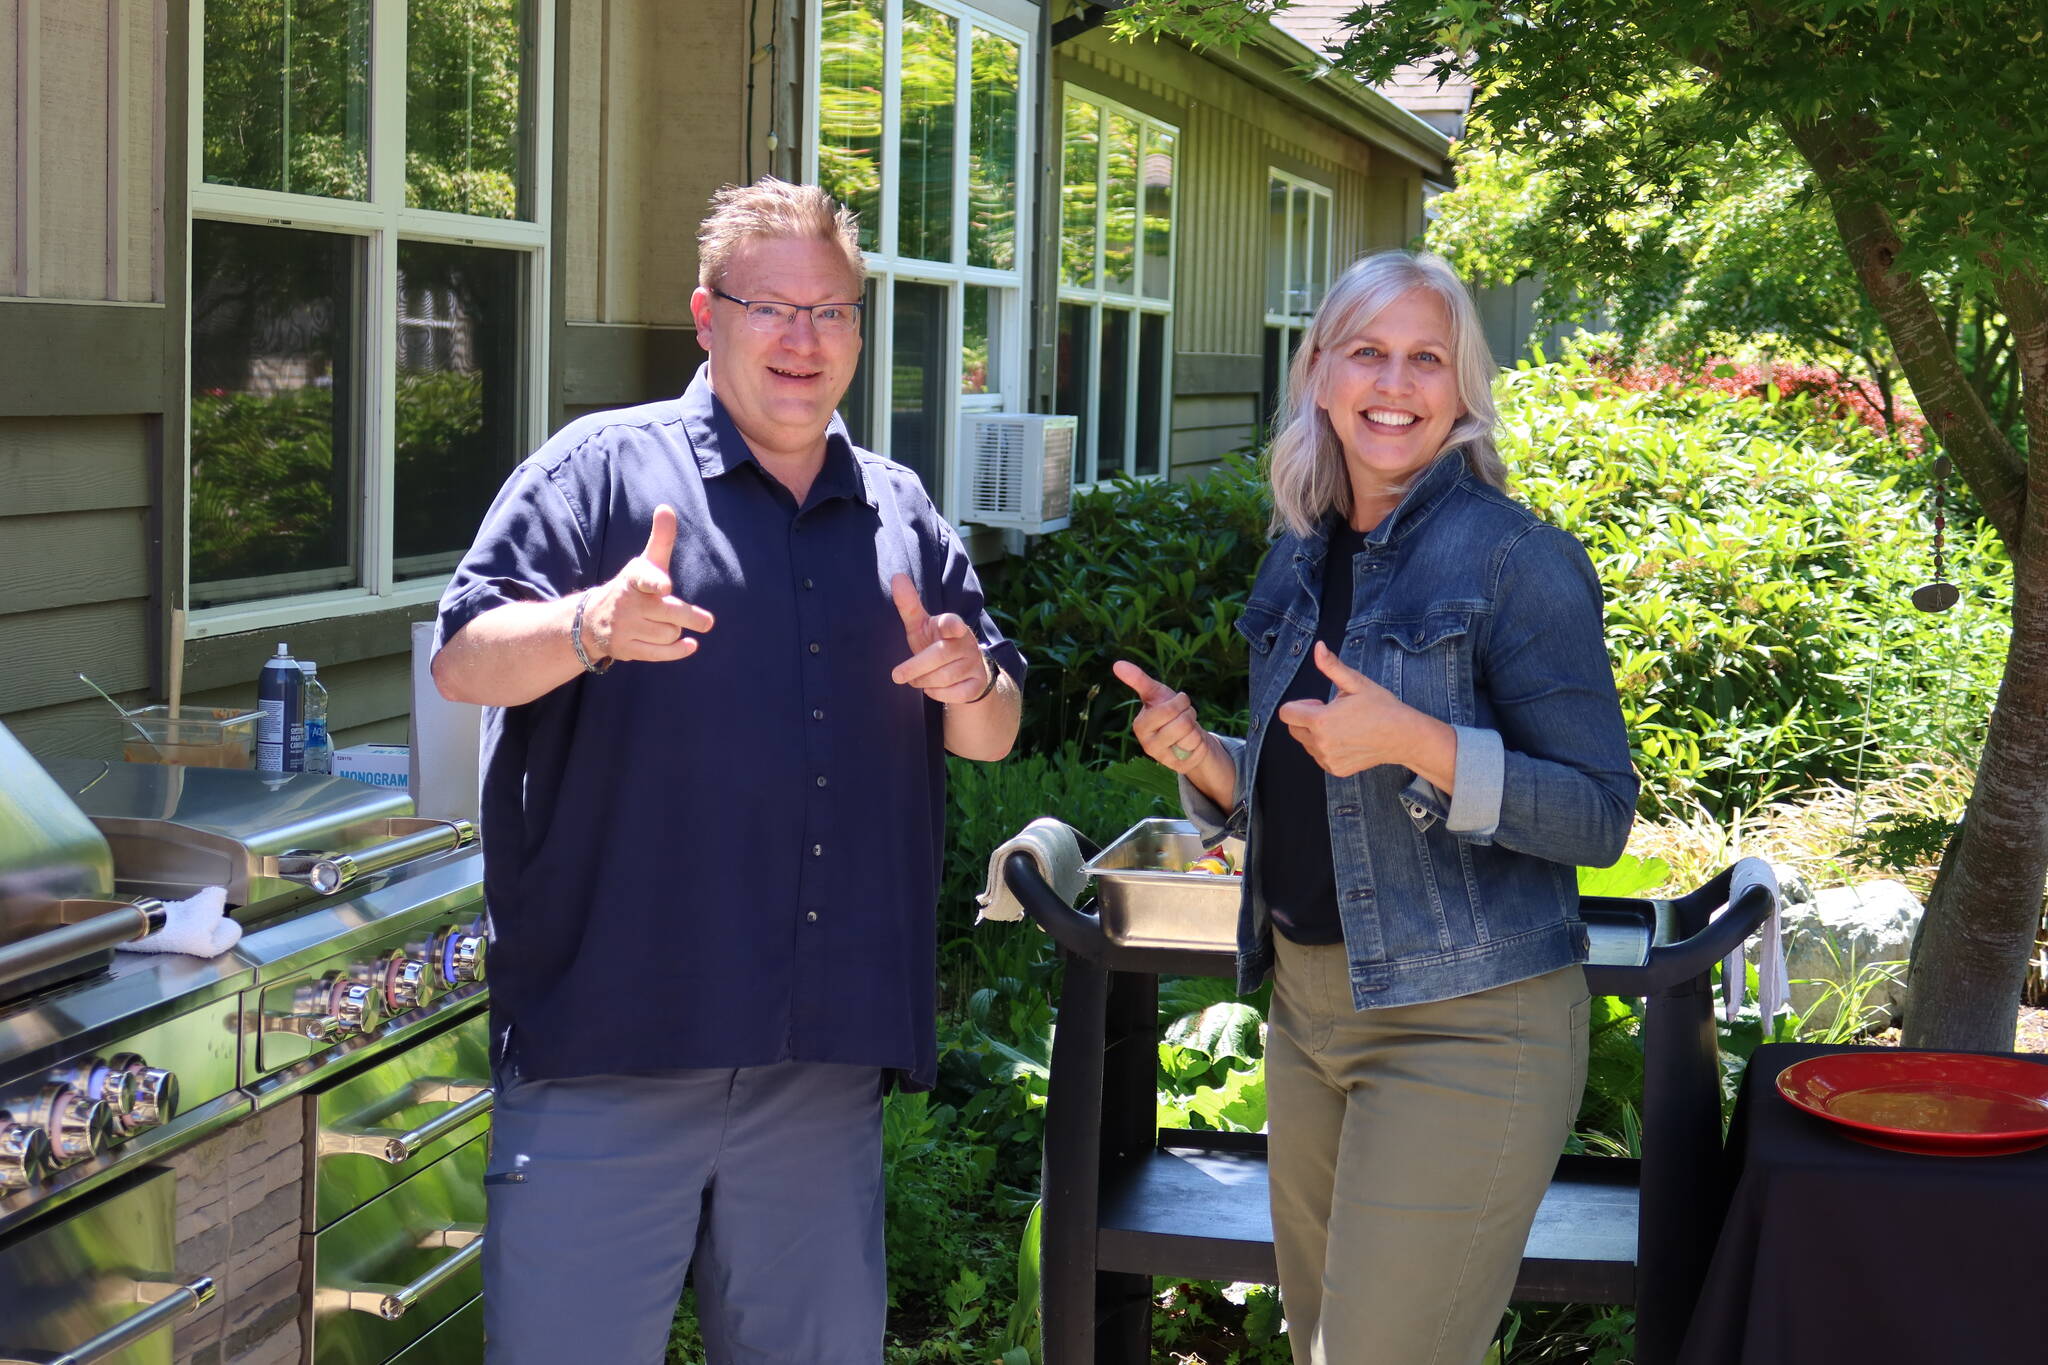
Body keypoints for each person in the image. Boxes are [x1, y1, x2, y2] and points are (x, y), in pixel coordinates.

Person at [432, 177, 1024, 1364]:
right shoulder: (597, 473)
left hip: (820, 1061)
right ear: (707, 317)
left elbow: (993, 731)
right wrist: (591, 625)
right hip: (611, 1045)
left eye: (832, 312)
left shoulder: (898, 510)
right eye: (771, 308)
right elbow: (463, 660)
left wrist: (971, 685)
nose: (804, 340)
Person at [1114, 250, 1636, 1365]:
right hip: (1307, 1013)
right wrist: (1207, 760)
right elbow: (1323, 794)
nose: (1393, 384)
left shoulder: (1517, 561)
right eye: (1366, 352)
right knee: (1323, 1346)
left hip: (1467, 1023)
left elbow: (1597, 815)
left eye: (1425, 358)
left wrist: (1416, 741)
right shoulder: (1302, 556)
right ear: (1318, 372)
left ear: (1461, 388)